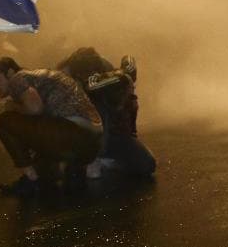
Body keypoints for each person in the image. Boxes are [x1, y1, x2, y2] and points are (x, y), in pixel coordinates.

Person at [0, 57, 102, 196]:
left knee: (5, 121)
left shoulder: (17, 78)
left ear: (10, 72)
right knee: (35, 126)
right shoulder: (38, 77)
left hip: (73, 134)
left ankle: (31, 179)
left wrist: (12, 106)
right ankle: (52, 172)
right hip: (93, 143)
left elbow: (35, 108)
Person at [57, 48, 156, 178]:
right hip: (79, 134)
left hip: (110, 132)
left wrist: (123, 74)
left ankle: (103, 159)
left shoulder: (115, 79)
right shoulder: (67, 80)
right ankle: (88, 158)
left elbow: (128, 62)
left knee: (147, 164)